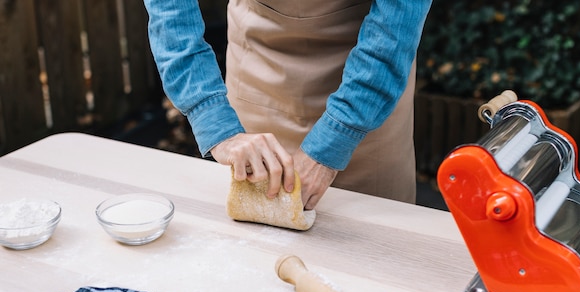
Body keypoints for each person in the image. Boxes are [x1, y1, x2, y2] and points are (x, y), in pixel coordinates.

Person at [143, 0, 432, 209]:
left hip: (371, 86)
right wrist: (213, 121)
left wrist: (337, 138)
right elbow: (171, 14)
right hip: (256, 64)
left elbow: (395, 29)